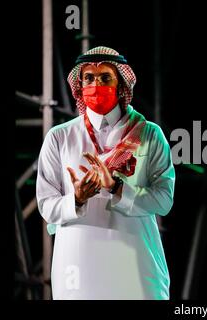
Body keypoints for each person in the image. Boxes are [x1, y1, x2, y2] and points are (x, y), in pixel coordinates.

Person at [36, 46, 175, 299]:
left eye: (105, 78)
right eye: (88, 77)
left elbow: (164, 201)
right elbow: (46, 205)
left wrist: (117, 189)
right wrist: (76, 198)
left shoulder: (149, 134)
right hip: (78, 269)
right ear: (79, 84)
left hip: (135, 264)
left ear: (121, 84)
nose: (95, 84)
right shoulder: (60, 137)